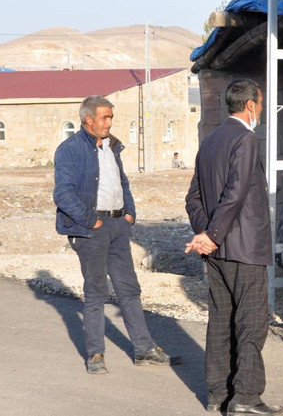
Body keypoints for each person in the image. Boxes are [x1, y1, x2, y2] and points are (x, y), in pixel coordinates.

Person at [53, 95, 181, 374]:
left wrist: (129, 214)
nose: (109, 123)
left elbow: (122, 182)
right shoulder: (70, 150)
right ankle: (95, 354)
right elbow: (62, 194)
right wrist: (91, 221)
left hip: (118, 227)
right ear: (88, 120)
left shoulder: (112, 147)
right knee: (96, 292)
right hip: (91, 231)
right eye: (104, 118)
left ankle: (145, 350)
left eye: (111, 118)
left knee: (129, 289)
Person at [185, 79, 283, 415]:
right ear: (251, 106)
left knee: (221, 320)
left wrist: (205, 233)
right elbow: (236, 192)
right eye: (261, 104)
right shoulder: (245, 138)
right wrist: (211, 234)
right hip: (243, 248)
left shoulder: (210, 141)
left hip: (216, 250)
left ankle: (217, 394)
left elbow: (194, 198)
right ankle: (245, 397)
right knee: (252, 321)